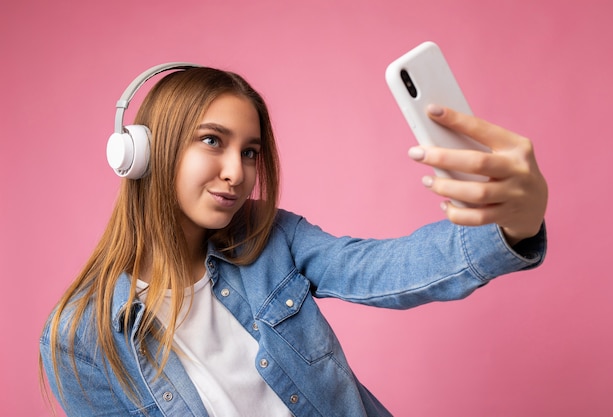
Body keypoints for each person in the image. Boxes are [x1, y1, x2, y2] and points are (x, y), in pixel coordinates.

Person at [39, 64, 547, 417]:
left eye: (252, 151)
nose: (237, 173)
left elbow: (381, 268)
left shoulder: (270, 237)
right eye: (212, 140)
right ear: (144, 152)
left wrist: (508, 226)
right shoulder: (80, 338)